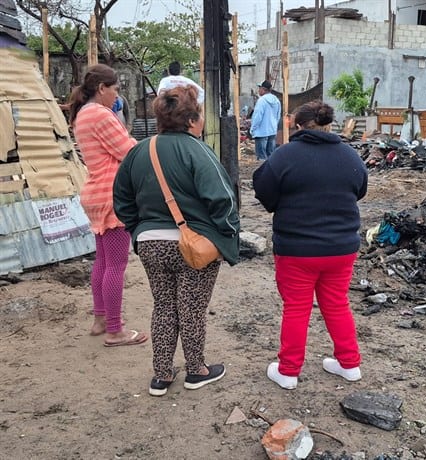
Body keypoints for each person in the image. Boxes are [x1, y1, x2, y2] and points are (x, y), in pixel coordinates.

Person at [113, 85, 240, 397]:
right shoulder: (197, 150)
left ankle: (162, 375)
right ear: (192, 120)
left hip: (150, 242)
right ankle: (196, 370)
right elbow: (222, 199)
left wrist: (139, 230)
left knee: (164, 306)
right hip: (193, 244)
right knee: (192, 308)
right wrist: (226, 236)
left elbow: (121, 199)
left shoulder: (139, 151)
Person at [252, 100, 368, 390]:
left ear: (297, 125)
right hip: (341, 249)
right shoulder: (350, 156)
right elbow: (360, 190)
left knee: (296, 307)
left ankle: (289, 371)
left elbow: (264, 192)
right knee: (338, 303)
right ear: (329, 125)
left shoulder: (285, 155)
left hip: (297, 249)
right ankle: (349, 364)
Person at [68, 64, 148, 347]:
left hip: (95, 192)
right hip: (113, 195)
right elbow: (127, 151)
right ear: (102, 88)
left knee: (102, 261)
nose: (117, 95)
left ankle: (101, 320)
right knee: (116, 265)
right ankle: (116, 330)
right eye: (115, 88)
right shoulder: (101, 115)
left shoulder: (83, 115)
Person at [250, 80, 281, 160]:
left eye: (259, 88)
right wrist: (274, 126)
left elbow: (257, 117)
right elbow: (278, 116)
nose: (258, 90)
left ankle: (263, 172)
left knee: (261, 158)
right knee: (271, 156)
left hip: (261, 132)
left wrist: (253, 129)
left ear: (263, 89)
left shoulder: (262, 101)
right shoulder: (276, 100)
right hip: (272, 131)